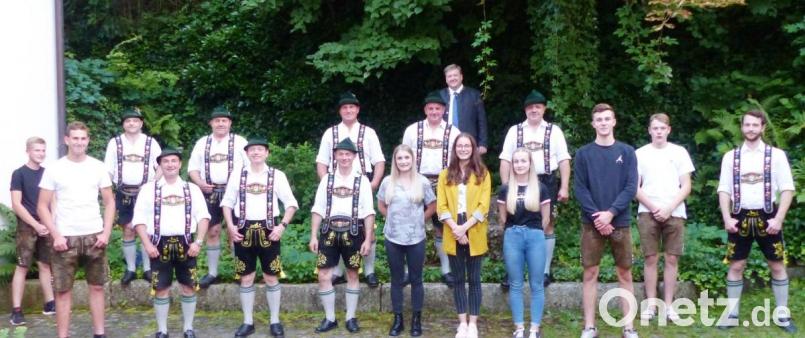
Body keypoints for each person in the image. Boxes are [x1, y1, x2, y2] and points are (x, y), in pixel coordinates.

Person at [716, 110, 796, 333]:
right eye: (747, 125)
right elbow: (724, 190)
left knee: (777, 265)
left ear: (763, 128)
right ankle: (731, 314)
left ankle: (782, 314)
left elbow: (788, 189)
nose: (750, 129)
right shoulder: (730, 157)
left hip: (769, 215)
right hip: (738, 216)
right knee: (736, 265)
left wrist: (779, 219)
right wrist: (726, 217)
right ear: (742, 128)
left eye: (755, 125)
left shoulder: (776, 155)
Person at [37, 122, 115, 338]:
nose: (79, 142)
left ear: (88, 141)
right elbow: (42, 205)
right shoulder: (54, 169)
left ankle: (99, 333)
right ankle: (63, 335)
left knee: (97, 287)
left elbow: (110, 202)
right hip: (65, 238)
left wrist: (106, 232)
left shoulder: (98, 167)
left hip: (94, 235)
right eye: (75, 138)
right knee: (62, 291)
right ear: (67, 140)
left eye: (83, 138)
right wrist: (56, 234)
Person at [221, 138, 299, 338]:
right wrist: (230, 226)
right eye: (252, 150)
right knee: (246, 278)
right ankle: (248, 322)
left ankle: (275, 321)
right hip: (242, 229)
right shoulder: (237, 174)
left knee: (271, 276)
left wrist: (282, 226)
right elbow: (227, 203)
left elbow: (291, 203)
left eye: (260, 149)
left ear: (267, 153)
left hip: (269, 230)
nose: (256, 153)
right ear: (247, 153)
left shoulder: (276, 175)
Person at [574, 104, 639, 338]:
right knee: (590, 272)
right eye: (598, 119)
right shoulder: (583, 154)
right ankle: (589, 326)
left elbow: (631, 187)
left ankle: (628, 327)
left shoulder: (628, 151)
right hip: (591, 223)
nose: (603, 123)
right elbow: (579, 189)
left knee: (625, 273)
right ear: (593, 124)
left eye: (607, 119)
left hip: (619, 222)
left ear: (614, 122)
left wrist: (610, 213)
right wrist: (598, 217)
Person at [132, 148, 210, 338]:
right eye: (165, 161)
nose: (170, 164)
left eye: (174, 161)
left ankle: (188, 328)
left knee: (189, 286)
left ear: (180, 164)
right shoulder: (148, 189)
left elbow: (203, 217)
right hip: (158, 245)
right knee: (161, 288)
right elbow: (139, 220)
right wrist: (147, 245)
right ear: (160, 165)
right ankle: (162, 330)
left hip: (186, 243)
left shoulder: (191, 189)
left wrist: (198, 242)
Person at [499, 90, 571, 288]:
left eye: (537, 106)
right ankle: (513, 272)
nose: (534, 110)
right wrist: (506, 186)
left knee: (546, 224)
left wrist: (564, 186)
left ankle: (544, 271)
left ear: (544, 109)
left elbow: (564, 159)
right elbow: (505, 159)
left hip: (546, 181)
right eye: (530, 107)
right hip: (518, 181)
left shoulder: (554, 131)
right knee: (513, 225)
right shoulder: (515, 131)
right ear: (525, 110)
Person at [315, 92, 385, 288]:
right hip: (335, 187)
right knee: (336, 228)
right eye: (344, 107)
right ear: (340, 111)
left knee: (368, 228)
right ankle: (338, 270)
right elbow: (321, 162)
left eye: (352, 107)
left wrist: (373, 184)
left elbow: (379, 161)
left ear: (357, 109)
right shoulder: (330, 133)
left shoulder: (368, 132)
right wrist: (327, 185)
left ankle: (369, 271)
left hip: (363, 184)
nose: (348, 110)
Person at [309, 138, 375, 334]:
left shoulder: (362, 180)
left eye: (348, 154)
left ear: (354, 157)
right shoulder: (327, 180)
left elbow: (368, 211)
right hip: (328, 232)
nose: (344, 157)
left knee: (353, 274)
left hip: (354, 231)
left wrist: (368, 237)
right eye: (341, 154)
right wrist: (313, 235)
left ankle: (350, 317)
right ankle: (330, 318)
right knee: (323, 275)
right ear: (335, 156)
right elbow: (318, 208)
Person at [634, 113, 694, 322]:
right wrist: (654, 207)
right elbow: (634, 186)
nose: (658, 132)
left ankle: (668, 306)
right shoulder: (639, 154)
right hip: (647, 211)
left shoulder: (679, 152)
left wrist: (668, 208)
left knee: (671, 258)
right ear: (649, 130)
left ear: (669, 130)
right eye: (655, 128)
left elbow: (686, 185)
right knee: (650, 258)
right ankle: (651, 305)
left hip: (675, 211)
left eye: (662, 128)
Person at [402, 91, 460, 288]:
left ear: (444, 110)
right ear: (425, 110)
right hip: (417, 179)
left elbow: (459, 158)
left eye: (438, 108)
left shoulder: (453, 132)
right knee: (412, 225)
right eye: (430, 108)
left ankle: (446, 270)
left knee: (442, 226)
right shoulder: (412, 130)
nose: (434, 111)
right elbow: (403, 156)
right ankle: (410, 271)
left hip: (445, 181)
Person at [377, 144, 436, 337]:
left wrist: (418, 220)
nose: (403, 161)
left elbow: (432, 206)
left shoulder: (423, 182)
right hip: (393, 237)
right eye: (399, 158)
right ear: (395, 161)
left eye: (406, 158)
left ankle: (416, 320)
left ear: (412, 160)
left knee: (416, 279)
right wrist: (393, 219)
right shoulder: (387, 182)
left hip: (416, 238)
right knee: (396, 279)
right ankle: (398, 319)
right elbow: (381, 204)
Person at [436, 133, 491, 338]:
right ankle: (462, 323)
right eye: (460, 146)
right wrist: (455, 229)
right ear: (454, 149)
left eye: (467, 146)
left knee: (474, 279)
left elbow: (483, 206)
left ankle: (474, 323)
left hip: (474, 229)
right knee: (458, 279)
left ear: (473, 148)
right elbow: (441, 206)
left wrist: (465, 228)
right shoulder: (445, 175)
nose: (463, 149)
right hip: (452, 229)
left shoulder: (483, 173)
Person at [187, 106, 248, 289]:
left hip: (235, 193)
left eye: (224, 120)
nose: (221, 123)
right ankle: (213, 272)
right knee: (212, 231)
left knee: (235, 232)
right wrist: (200, 183)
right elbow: (192, 169)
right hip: (210, 192)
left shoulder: (240, 142)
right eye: (217, 120)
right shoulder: (202, 143)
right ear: (211, 123)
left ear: (230, 123)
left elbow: (250, 166)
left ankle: (240, 269)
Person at [103, 107, 162, 285]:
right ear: (123, 124)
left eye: (135, 120)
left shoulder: (151, 143)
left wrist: (153, 184)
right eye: (128, 121)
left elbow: (161, 165)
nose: (131, 123)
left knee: (146, 230)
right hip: (124, 192)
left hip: (146, 192)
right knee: (128, 229)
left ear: (141, 123)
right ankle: (130, 269)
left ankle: (147, 269)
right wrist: (109, 189)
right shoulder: (115, 143)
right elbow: (108, 169)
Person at [497, 148, 551, 338]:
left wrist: (533, 232)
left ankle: (534, 329)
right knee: (516, 284)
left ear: (530, 163)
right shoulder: (505, 189)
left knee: (536, 284)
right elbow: (503, 218)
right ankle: (519, 328)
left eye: (523, 161)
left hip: (535, 236)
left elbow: (546, 218)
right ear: (512, 165)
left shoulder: (541, 188)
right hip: (512, 237)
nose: (520, 165)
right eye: (516, 161)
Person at [9, 137, 55, 325]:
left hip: (46, 224)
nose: (41, 154)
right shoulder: (19, 174)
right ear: (28, 151)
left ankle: (50, 303)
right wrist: (36, 225)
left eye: (43, 150)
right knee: (22, 266)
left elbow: (53, 201)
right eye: (37, 150)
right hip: (27, 226)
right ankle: (16, 310)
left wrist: (50, 224)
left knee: (45, 264)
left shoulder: (47, 173)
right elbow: (16, 204)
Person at [439, 64, 488, 155]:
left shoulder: (474, 95)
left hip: (469, 143)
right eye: (449, 76)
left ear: (461, 77)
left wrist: (483, 143)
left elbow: (481, 120)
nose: (452, 78)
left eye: (455, 75)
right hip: (444, 143)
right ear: (446, 79)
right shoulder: (439, 96)